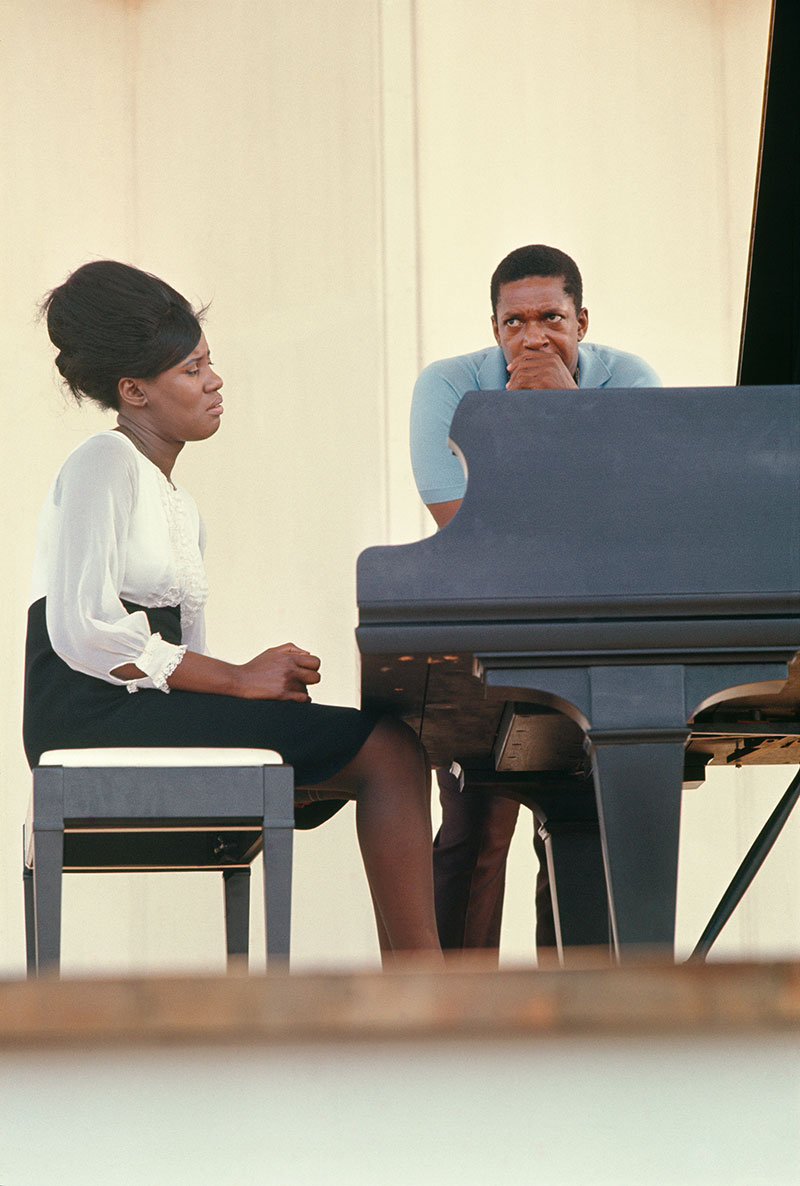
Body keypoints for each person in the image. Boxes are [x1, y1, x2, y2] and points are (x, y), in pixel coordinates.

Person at [24, 259, 440, 963]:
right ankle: (426, 984)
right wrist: (242, 682)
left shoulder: (179, 505)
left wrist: (259, 707)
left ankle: (420, 980)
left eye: (209, 363)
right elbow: (79, 629)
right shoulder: (102, 460)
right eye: (191, 370)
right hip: (89, 712)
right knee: (391, 750)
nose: (214, 381)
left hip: (140, 708)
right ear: (135, 391)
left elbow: (189, 659)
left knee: (379, 746)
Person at [410, 243, 661, 958]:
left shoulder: (631, 380)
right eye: (514, 322)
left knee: (576, 824)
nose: (533, 337)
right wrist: (520, 423)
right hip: (481, 620)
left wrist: (568, 414)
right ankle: (459, 1025)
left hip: (597, 626)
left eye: (550, 317)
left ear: (581, 320)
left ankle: (570, 1020)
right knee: (475, 827)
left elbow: (644, 519)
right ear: (494, 330)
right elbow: (461, 526)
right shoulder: (449, 387)